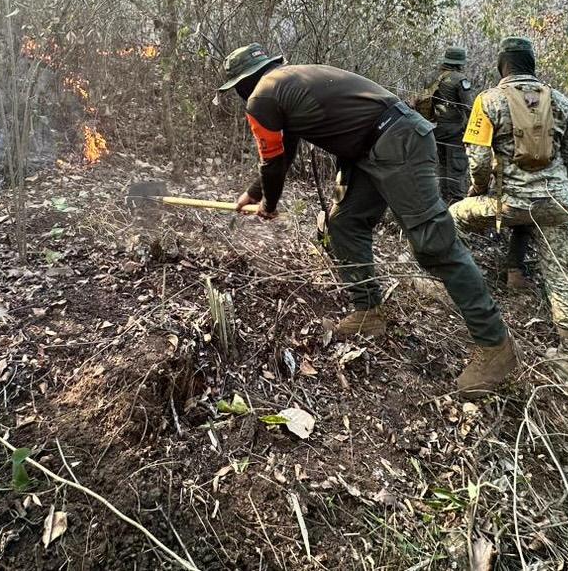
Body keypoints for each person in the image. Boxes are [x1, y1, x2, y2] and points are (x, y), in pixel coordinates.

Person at [217, 43, 518, 398]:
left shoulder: (262, 97)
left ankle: (495, 345)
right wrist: (256, 194)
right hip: (375, 146)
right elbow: (285, 151)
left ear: (243, 83)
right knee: (344, 223)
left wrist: (268, 202)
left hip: (396, 142)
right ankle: (369, 312)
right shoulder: (286, 84)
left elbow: (271, 162)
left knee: (433, 244)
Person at [448, 37, 568, 379]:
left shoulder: (488, 100)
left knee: (451, 219)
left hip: (508, 204)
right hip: (556, 205)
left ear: (502, 66)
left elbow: (479, 161)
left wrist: (477, 191)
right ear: (532, 64)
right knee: (562, 274)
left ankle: (451, 288)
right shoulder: (562, 102)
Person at [416, 47, 474, 203]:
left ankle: (442, 202)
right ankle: (456, 206)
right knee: (457, 168)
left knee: (442, 167)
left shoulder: (433, 77)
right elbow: (469, 108)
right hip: (454, 132)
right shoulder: (460, 80)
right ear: (460, 63)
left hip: (434, 130)